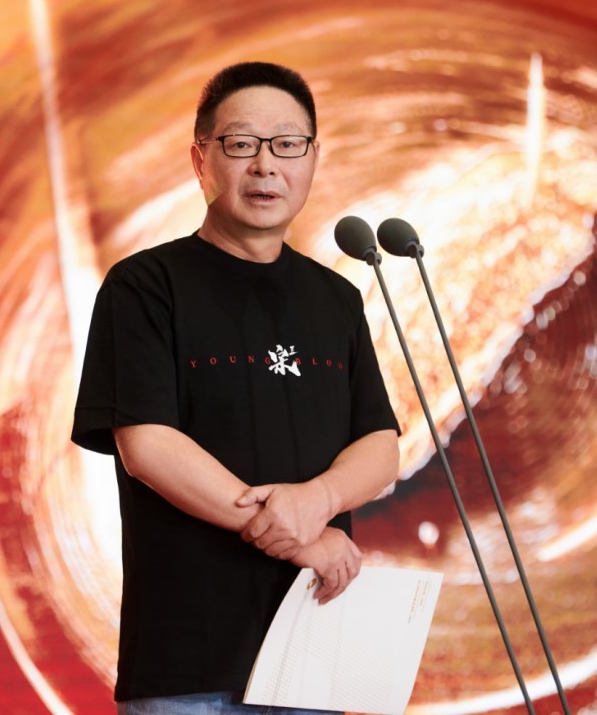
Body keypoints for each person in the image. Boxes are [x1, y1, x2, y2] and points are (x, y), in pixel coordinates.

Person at [71, 62, 401, 714]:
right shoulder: (145, 287)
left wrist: (321, 497)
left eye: (287, 144)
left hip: (311, 652)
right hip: (188, 666)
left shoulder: (337, 298)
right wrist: (302, 538)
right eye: (242, 143)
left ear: (312, 158)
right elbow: (149, 447)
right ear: (201, 160)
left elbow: (381, 447)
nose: (265, 165)